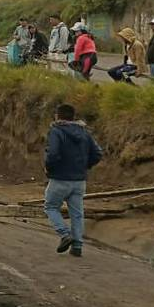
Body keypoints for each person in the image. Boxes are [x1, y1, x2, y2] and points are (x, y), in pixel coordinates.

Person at [44, 103, 103, 257]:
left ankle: (65, 234)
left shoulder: (56, 131)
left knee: (50, 206)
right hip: (79, 180)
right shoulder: (84, 132)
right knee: (77, 213)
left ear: (57, 116)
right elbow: (97, 153)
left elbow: (53, 154)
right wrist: (85, 166)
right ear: (73, 116)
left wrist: (49, 169)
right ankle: (77, 246)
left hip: (60, 178)